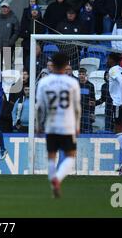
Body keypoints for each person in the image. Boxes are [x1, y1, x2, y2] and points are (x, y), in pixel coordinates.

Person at [36, 52, 81, 198]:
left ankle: (52, 182)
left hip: (51, 125)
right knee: (70, 156)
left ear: (52, 65)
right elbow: (77, 107)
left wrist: (38, 124)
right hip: (67, 125)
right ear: (67, 65)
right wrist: (77, 125)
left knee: (51, 156)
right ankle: (58, 178)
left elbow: (39, 107)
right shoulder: (72, 82)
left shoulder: (44, 82)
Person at [78, 67, 95, 133]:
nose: (81, 75)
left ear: (86, 75)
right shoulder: (75, 84)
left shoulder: (90, 85)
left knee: (87, 130)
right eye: (80, 74)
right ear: (78, 75)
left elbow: (93, 99)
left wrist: (92, 112)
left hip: (87, 112)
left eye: (83, 74)